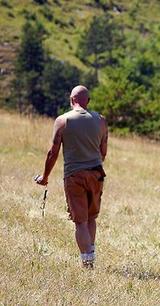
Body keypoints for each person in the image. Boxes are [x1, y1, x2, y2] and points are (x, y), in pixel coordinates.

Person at [35, 85, 108, 269]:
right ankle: (90, 256)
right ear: (88, 101)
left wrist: (44, 177)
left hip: (74, 175)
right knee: (91, 218)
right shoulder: (101, 120)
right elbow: (103, 152)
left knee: (80, 221)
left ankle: (88, 262)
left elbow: (53, 153)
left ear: (71, 100)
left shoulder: (63, 120)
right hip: (96, 173)